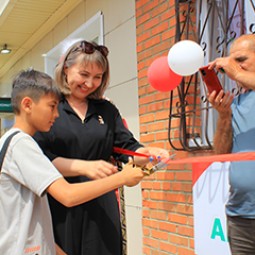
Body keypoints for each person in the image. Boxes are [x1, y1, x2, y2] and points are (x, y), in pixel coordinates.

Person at [34, 40, 170, 255]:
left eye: (98, 77)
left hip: (101, 204)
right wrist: (84, 167)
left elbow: (128, 148)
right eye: (84, 74)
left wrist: (148, 153)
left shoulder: (106, 110)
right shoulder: (50, 105)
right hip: (59, 204)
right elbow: (39, 158)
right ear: (66, 69)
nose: (90, 83)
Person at [0, 69, 146, 255]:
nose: (57, 114)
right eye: (52, 106)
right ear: (28, 105)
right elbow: (68, 195)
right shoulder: (21, 144)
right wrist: (122, 177)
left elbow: (35, 224)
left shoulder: (11, 141)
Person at [207, 34, 255, 254]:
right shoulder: (236, 103)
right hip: (240, 216)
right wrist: (224, 116)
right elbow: (221, 153)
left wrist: (236, 71)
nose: (235, 67)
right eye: (232, 61)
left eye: (241, 59)